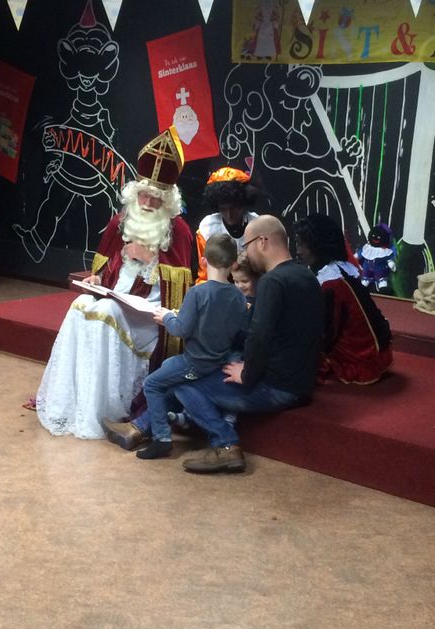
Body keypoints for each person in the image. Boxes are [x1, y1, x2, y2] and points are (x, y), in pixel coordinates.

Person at [36, 127, 193, 439]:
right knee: (81, 303)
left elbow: (179, 291)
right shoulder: (120, 222)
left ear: (168, 201)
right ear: (135, 193)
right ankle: (75, 400)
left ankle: (104, 408)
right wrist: (98, 277)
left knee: (105, 311)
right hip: (115, 300)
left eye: (156, 198)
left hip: (149, 316)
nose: (147, 203)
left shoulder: (179, 232)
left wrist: (150, 258)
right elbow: (105, 269)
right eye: (144, 195)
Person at [169, 215, 324, 474]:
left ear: (262, 242)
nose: (246, 253)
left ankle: (226, 444)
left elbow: (258, 334)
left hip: (275, 387)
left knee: (180, 380)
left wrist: (248, 372)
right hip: (301, 384)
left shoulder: (272, 281)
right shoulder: (307, 276)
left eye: (247, 245)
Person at [102, 233, 248, 459]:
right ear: (234, 264)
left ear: (203, 261)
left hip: (194, 362)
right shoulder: (238, 297)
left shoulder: (198, 292)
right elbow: (239, 330)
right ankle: (140, 430)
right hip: (217, 361)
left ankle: (161, 438)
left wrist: (167, 317)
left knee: (152, 384)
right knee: (169, 366)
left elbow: (181, 329)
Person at [294, 214, 392, 384]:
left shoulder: (331, 283)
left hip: (361, 360)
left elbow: (327, 332)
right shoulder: (344, 268)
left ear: (318, 246)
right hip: (380, 351)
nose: (298, 251)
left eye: (303, 245)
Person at [196, 167, 258, 283]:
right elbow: (205, 274)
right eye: (223, 209)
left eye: (234, 208)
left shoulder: (256, 225)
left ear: (243, 204)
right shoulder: (208, 228)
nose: (229, 214)